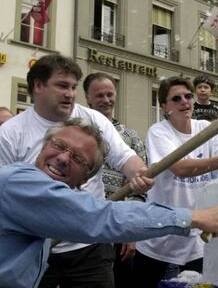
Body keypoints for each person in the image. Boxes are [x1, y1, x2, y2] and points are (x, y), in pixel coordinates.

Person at [0, 118, 218, 288]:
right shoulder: (18, 182)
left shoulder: (43, 206)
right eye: (59, 146)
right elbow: (102, 217)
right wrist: (193, 217)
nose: (62, 158)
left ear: (84, 180)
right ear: (43, 146)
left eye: (78, 158)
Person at [0, 54, 154, 287]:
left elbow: (124, 157)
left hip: (90, 247)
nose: (70, 93)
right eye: (62, 86)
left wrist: (138, 173)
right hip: (37, 249)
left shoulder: (93, 120)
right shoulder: (11, 133)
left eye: (73, 87)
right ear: (38, 86)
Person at [133, 76, 218, 287]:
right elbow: (179, 168)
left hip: (197, 237)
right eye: (176, 98)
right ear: (165, 107)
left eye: (188, 96)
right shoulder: (158, 132)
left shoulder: (206, 127)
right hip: (160, 235)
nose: (185, 101)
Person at [83, 72, 146, 287]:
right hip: (83, 224)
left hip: (119, 225)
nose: (106, 100)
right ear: (87, 98)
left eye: (110, 94)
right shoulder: (75, 134)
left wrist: (132, 231)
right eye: (99, 95)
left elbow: (140, 190)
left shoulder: (130, 137)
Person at [192, 75, 218, 149]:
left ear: (212, 92)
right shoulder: (191, 109)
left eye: (206, 87)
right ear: (195, 91)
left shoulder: (217, 110)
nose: (202, 90)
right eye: (199, 87)